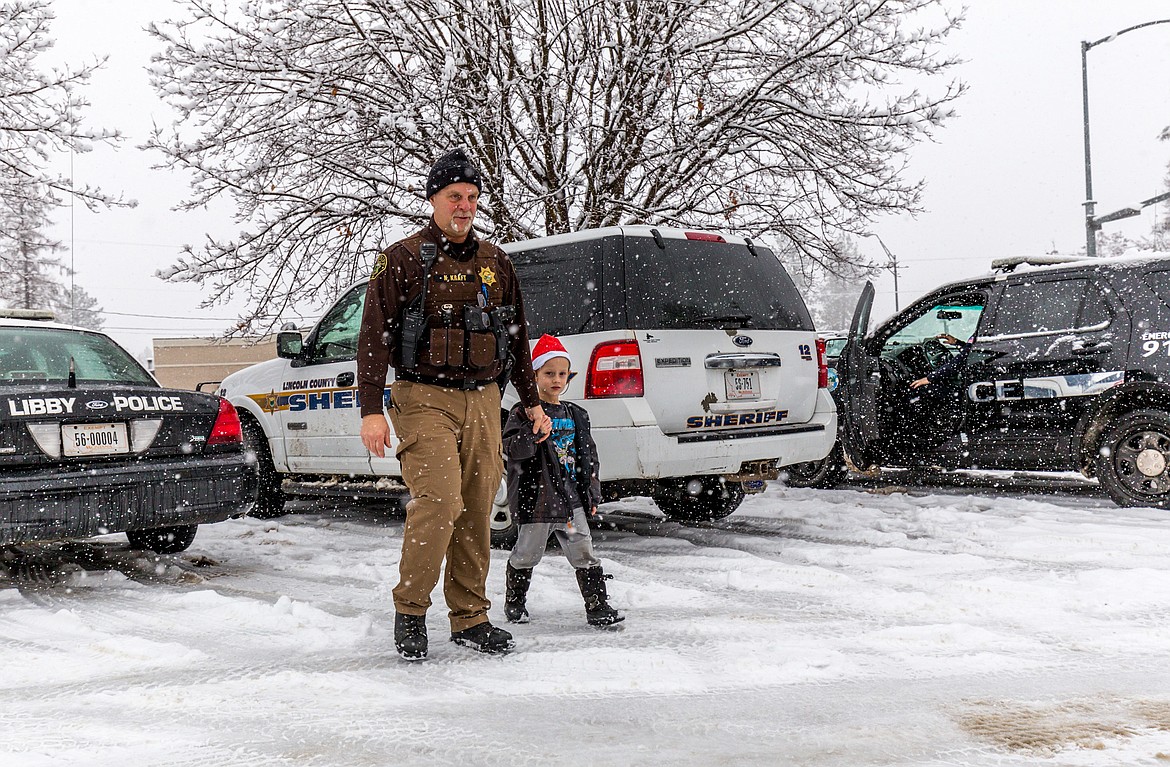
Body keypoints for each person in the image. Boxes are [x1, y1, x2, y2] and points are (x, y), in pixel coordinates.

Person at [357, 148, 552, 660]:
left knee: (477, 508)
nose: (464, 206)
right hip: (422, 397)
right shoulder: (401, 259)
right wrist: (370, 409)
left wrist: (531, 401)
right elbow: (374, 336)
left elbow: (517, 335)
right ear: (433, 200)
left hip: (484, 399)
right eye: (453, 197)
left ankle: (470, 618)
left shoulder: (496, 262)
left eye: (471, 197)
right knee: (440, 500)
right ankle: (411, 611)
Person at [501, 334, 624, 627]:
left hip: (571, 500)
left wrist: (592, 493)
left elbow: (589, 458)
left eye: (562, 373)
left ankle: (597, 606)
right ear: (534, 377)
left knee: (584, 551)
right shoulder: (522, 413)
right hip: (538, 499)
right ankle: (515, 601)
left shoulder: (576, 414)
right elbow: (513, 450)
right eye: (549, 373)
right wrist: (533, 431)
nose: (557, 379)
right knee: (527, 553)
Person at [909, 333, 973, 390]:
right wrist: (957, 343)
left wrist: (931, 378)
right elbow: (971, 352)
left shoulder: (981, 332)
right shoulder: (980, 332)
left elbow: (961, 360)